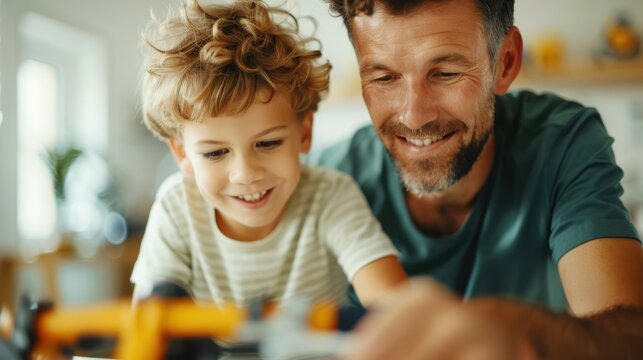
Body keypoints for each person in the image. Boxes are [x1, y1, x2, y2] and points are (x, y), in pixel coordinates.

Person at [316, 0, 643, 358]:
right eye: (383, 77)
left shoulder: (562, 144)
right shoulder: (326, 183)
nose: (414, 116)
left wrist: (509, 332)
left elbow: (630, 336)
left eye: (445, 73)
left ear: (505, 63)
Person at [130, 0, 407, 308]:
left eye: (268, 143)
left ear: (303, 134)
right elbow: (148, 327)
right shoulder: (176, 209)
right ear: (182, 154)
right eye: (216, 152)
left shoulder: (330, 196)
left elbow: (397, 312)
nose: (246, 173)